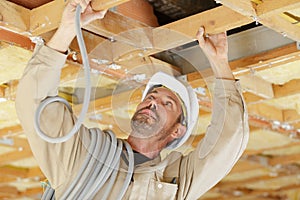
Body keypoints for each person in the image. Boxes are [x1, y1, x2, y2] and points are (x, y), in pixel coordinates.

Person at [15, 0, 249, 199]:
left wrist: (220, 64)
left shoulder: (173, 182)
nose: (153, 102)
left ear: (177, 131)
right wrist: (67, 28)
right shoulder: (83, 156)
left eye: (168, 103)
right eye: (151, 96)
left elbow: (228, 141)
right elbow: (33, 102)